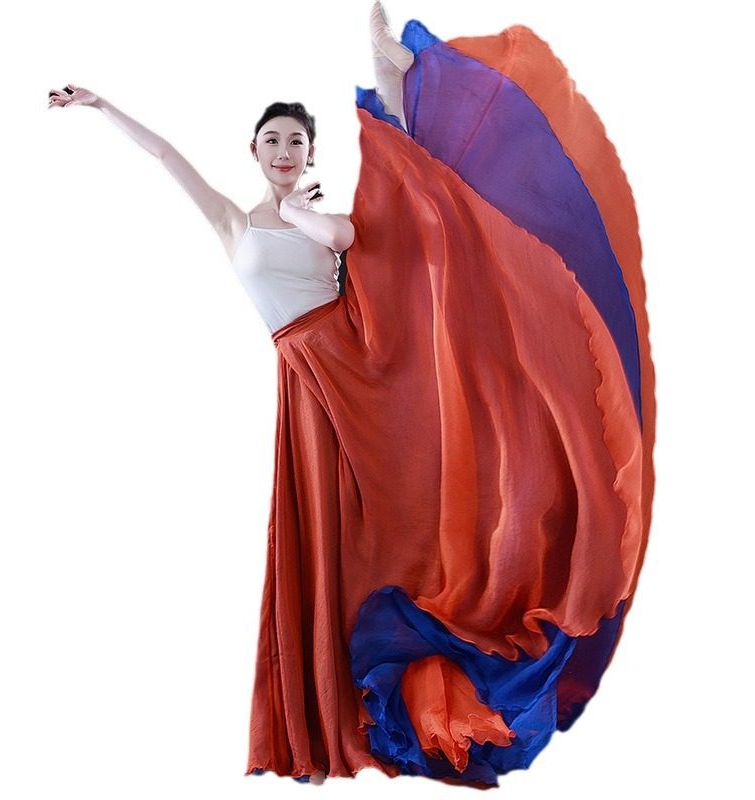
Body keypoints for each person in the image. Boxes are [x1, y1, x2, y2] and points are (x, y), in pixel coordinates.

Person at [48, 1, 653, 791]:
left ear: (309, 152)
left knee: (412, 215)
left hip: (363, 364)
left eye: (296, 141)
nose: (284, 151)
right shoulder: (233, 223)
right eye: (273, 140)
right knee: (331, 541)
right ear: (255, 150)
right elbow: (166, 155)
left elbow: (349, 238)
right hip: (306, 381)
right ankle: (325, 722)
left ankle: (391, 79)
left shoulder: (314, 214)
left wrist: (303, 211)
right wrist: (101, 106)